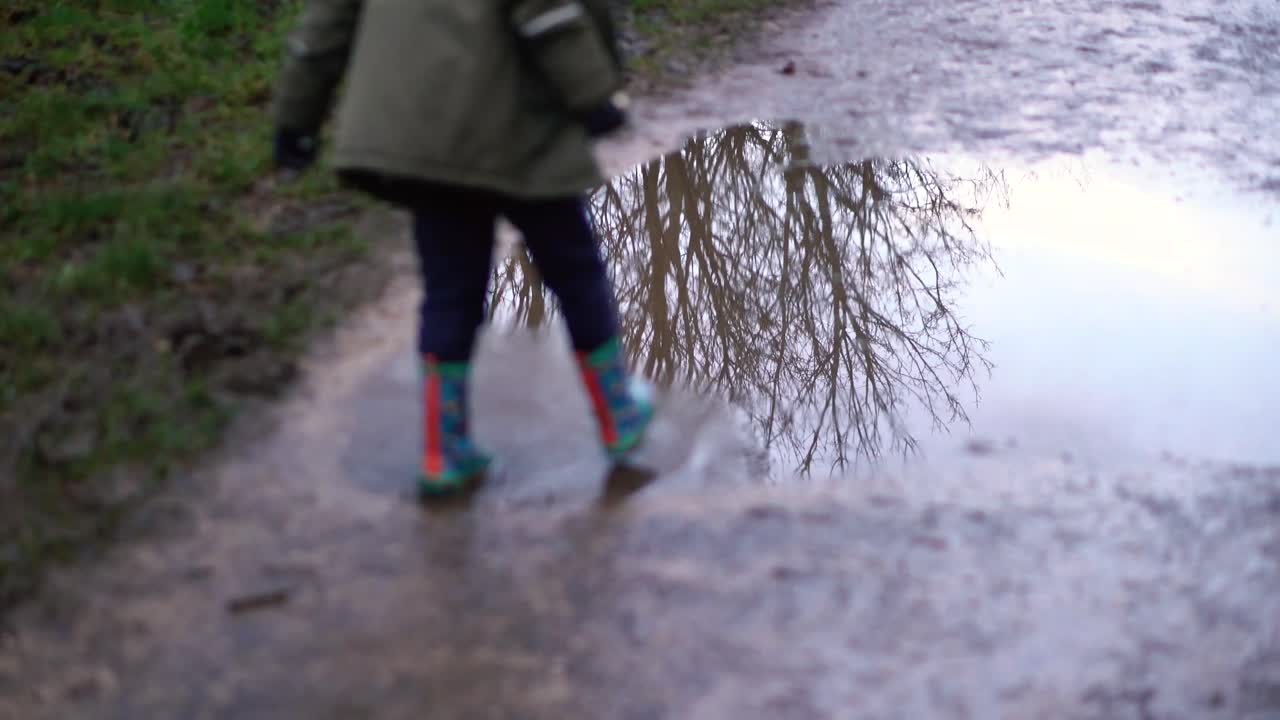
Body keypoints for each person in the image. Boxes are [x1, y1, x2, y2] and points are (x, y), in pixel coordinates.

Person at [271, 0, 653, 498]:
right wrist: (598, 96)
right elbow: (548, 14)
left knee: (450, 286)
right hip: (519, 128)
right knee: (575, 268)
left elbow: (325, 28)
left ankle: (444, 451)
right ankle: (617, 414)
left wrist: (296, 118)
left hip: (423, 137)